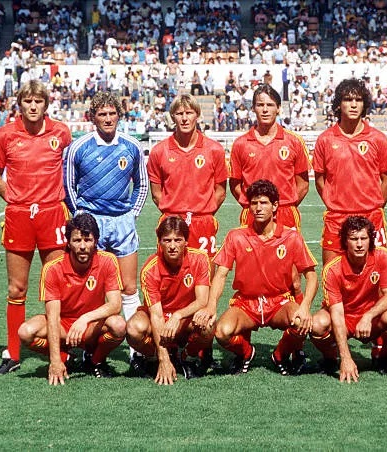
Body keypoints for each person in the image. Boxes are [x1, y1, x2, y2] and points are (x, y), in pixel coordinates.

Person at [0, 80, 72, 375]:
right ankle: (12, 353)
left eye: (38, 102)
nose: (33, 107)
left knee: (58, 286)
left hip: (53, 215)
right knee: (17, 287)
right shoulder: (6, 134)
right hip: (20, 217)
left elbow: (71, 169)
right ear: (19, 104)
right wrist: (15, 199)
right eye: (27, 102)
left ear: (46, 105)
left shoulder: (61, 132)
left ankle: (62, 351)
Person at [196, 180, 318, 375]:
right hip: (246, 304)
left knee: (300, 322)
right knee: (221, 332)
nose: (258, 208)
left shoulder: (291, 237)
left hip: (279, 302)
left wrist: (305, 307)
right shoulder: (236, 236)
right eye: (254, 203)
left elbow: (311, 277)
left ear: (275, 206)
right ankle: (246, 352)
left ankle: (279, 355)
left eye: (264, 203)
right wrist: (211, 306)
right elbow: (220, 275)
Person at [64, 91, 149, 372]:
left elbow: (142, 185)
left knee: (128, 287)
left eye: (112, 113)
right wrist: (83, 220)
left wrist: (131, 216)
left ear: (119, 116)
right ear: (93, 117)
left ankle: (136, 350)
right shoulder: (80, 148)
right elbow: (69, 187)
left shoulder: (131, 146)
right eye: (102, 114)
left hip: (122, 222)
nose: (108, 119)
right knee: (93, 290)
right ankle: (88, 347)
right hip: (92, 223)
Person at [17, 214, 126, 384]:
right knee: (25, 332)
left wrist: (85, 318)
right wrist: (54, 361)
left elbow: (115, 304)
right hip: (63, 326)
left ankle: (95, 360)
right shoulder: (52, 268)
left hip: (91, 327)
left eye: (87, 240)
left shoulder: (108, 261)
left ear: (96, 241)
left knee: (118, 325)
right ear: (68, 242)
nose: (82, 246)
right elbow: (53, 318)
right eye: (77, 240)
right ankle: (64, 355)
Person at [312, 78, 387, 266]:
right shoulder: (325, 139)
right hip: (336, 217)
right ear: (339, 104)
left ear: (364, 104)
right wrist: (333, 203)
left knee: (375, 275)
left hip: (371, 216)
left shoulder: (378, 139)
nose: (353, 105)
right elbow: (319, 179)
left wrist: (373, 205)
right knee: (331, 273)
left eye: (358, 100)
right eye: (348, 100)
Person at [310, 216, 387, 382]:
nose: (359, 244)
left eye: (363, 238)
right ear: (345, 242)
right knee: (317, 324)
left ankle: (382, 357)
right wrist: (345, 358)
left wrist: (368, 316)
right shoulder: (332, 269)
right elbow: (337, 315)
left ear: (371, 240)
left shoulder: (382, 256)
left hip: (371, 317)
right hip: (344, 318)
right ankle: (331, 358)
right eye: (353, 239)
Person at [126, 217, 214, 385]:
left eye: (178, 240)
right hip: (158, 317)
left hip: (184, 317)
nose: (172, 246)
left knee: (208, 323)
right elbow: (157, 316)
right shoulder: (150, 269)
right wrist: (163, 359)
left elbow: (202, 300)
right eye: (167, 240)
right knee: (133, 328)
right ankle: (153, 356)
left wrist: (178, 315)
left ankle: (187, 355)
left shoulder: (200, 259)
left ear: (186, 242)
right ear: (159, 242)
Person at [147, 94, 227, 258]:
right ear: (172, 117)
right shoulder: (159, 151)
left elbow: (220, 191)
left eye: (189, 113)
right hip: (171, 223)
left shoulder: (214, 149)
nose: (184, 118)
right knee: (170, 278)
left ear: (197, 115)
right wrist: (173, 212)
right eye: (179, 113)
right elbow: (156, 194)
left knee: (205, 277)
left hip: (203, 222)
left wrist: (204, 212)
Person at [229, 84, 311, 231]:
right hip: (253, 213)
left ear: (278, 108)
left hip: (285, 212)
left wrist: (281, 205)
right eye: (260, 105)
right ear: (253, 108)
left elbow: (303, 184)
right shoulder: (240, 144)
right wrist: (255, 206)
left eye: (270, 105)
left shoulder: (294, 141)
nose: (265, 110)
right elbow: (235, 184)